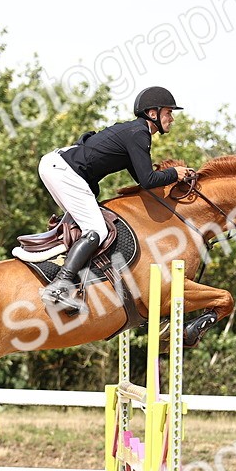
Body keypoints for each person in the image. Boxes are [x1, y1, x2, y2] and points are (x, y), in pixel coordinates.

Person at [37, 86, 195, 311]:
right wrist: (175, 173)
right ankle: (59, 286)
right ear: (153, 114)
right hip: (63, 170)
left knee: (86, 225)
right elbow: (149, 179)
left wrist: (172, 180)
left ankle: (67, 275)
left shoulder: (134, 133)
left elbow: (143, 181)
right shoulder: (139, 133)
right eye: (169, 112)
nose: (172, 118)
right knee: (98, 230)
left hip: (58, 166)